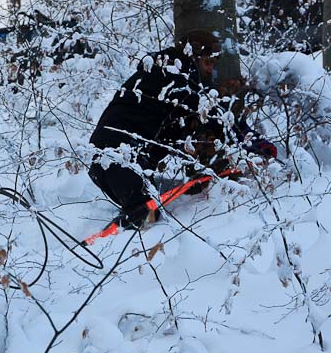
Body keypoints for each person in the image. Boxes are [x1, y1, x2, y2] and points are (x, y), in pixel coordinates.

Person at [88, 30, 276, 229]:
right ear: (193, 58)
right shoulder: (177, 80)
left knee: (146, 211)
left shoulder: (158, 70)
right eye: (208, 63)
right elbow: (219, 119)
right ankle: (107, 245)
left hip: (104, 157)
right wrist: (256, 143)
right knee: (146, 218)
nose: (211, 70)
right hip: (120, 156)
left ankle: (126, 225)